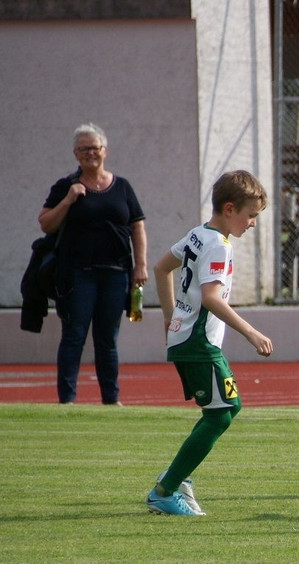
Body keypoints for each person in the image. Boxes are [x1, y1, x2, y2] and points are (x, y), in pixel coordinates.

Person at [145, 170, 273, 516]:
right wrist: (251, 333)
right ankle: (164, 491)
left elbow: (161, 268)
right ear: (229, 209)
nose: (252, 223)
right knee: (219, 416)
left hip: (189, 339)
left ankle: (175, 477)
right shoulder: (218, 244)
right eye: (250, 215)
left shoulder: (198, 234)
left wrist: (170, 317)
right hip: (198, 343)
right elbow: (211, 298)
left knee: (229, 408)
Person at [37, 123, 147, 405]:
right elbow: (45, 223)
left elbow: (137, 227)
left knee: (107, 339)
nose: (90, 153)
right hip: (78, 274)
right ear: (76, 154)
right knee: (74, 336)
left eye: (94, 148)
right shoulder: (65, 186)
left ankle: (111, 400)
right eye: (83, 149)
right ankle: (66, 400)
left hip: (116, 274)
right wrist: (68, 200)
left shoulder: (122, 187)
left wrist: (140, 265)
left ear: (104, 150)